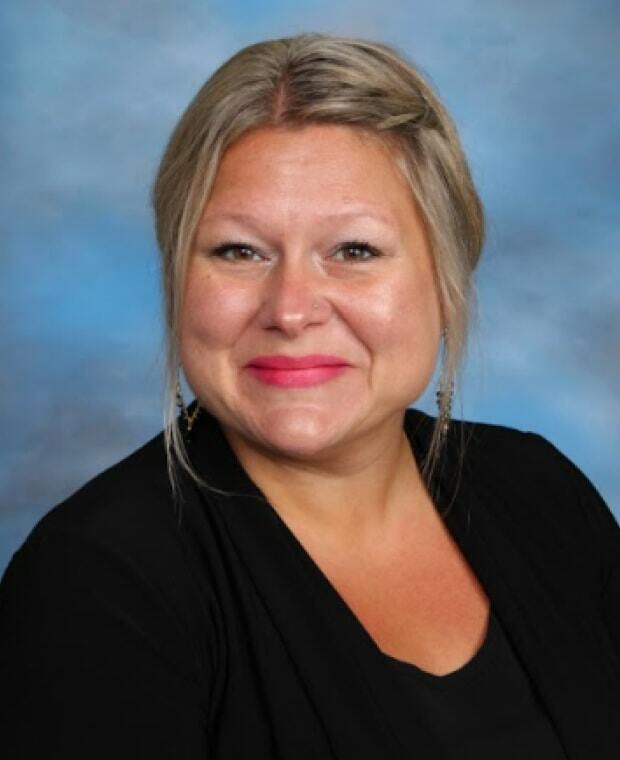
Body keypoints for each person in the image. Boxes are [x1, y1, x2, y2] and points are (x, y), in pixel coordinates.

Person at [1, 32, 619, 759]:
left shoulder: (541, 491)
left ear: (447, 282)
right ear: (177, 282)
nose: (291, 310)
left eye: (354, 251)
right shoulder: (96, 584)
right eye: (239, 251)